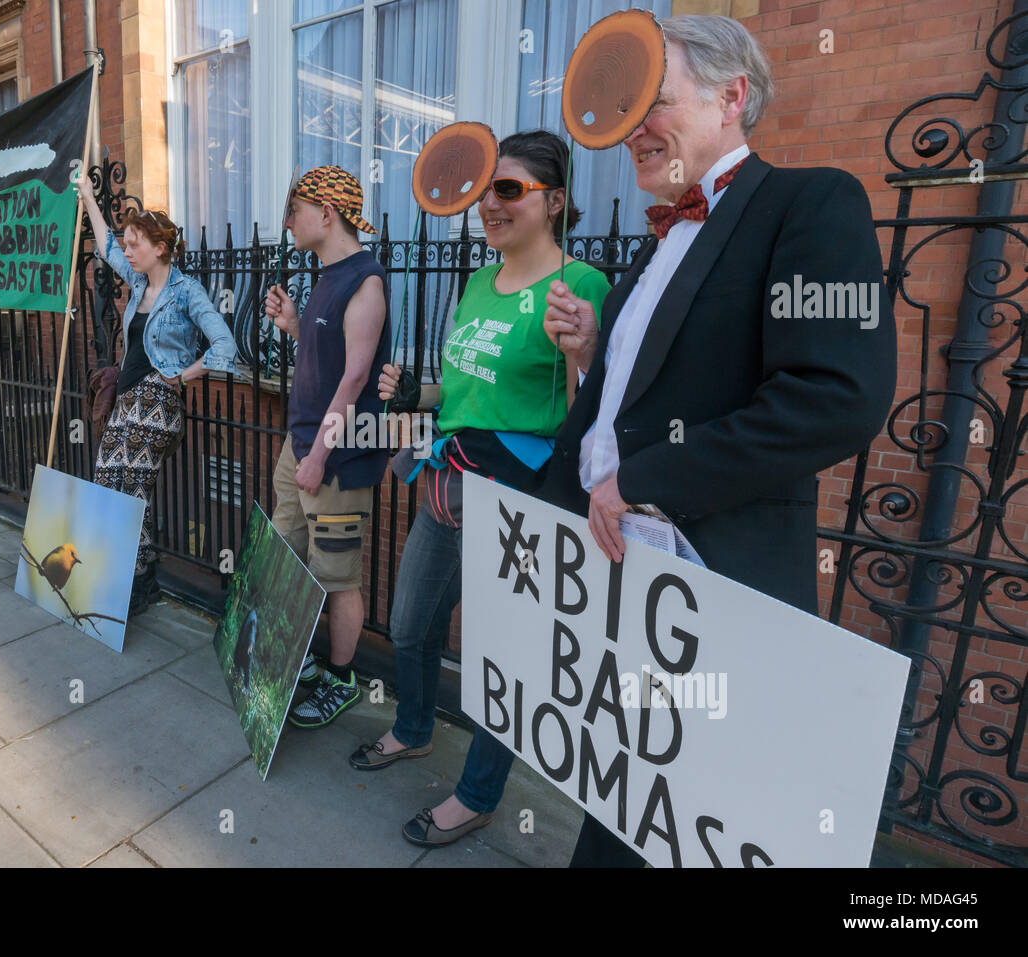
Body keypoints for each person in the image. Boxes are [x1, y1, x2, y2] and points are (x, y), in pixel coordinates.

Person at [540, 14, 896, 867]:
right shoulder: (653, 237)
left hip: (712, 595)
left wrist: (646, 480)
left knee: (689, 829)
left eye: (652, 103)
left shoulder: (812, 202)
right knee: (619, 813)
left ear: (732, 96)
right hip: (613, 590)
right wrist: (593, 357)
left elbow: (837, 397)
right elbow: (627, 410)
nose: (631, 129)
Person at [353, 131, 611, 849]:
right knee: (410, 623)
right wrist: (418, 391)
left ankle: (477, 795)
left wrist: (584, 351)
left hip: (519, 499)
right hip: (447, 481)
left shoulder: (582, 285)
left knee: (504, 659)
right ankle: (413, 729)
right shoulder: (476, 279)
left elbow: (592, 413)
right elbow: (470, 390)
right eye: (484, 190)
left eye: (510, 189)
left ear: (553, 201)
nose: (488, 204)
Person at [263, 166, 389, 729]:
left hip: (335, 457)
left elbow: (356, 378)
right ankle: (301, 663)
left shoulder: (365, 281)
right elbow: (327, 358)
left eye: (294, 211)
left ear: (326, 214)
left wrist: (318, 457)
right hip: (302, 445)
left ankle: (340, 679)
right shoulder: (324, 276)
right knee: (286, 554)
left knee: (338, 577)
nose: (288, 223)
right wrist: (292, 324)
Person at [77, 174, 238, 615]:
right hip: (129, 401)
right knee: (128, 487)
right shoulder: (140, 282)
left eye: (135, 244)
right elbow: (106, 247)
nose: (127, 251)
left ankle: (126, 582)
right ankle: (143, 581)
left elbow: (225, 347)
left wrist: (183, 377)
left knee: (116, 483)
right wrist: (90, 198)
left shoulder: (187, 293)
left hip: (158, 404)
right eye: (127, 244)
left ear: (160, 248)